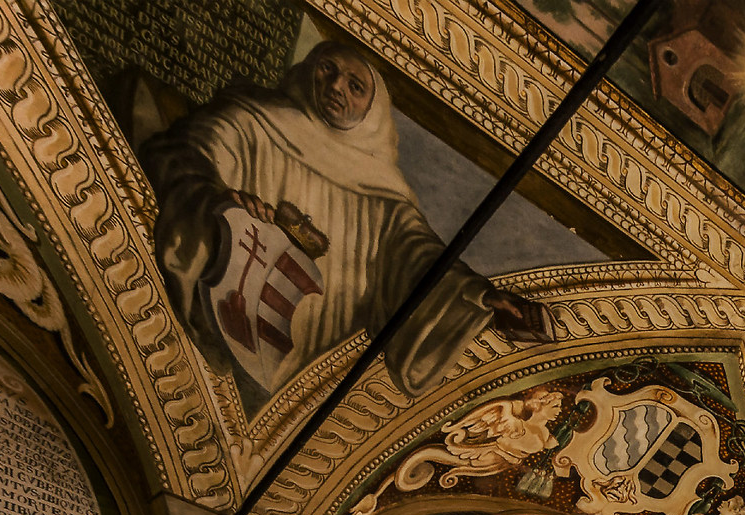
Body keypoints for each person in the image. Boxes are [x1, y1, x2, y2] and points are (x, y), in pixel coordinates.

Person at [144, 40, 550, 404]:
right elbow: (191, 154)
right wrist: (219, 198)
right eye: (328, 69)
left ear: (373, 111)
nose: (337, 85)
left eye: (355, 86)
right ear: (309, 69)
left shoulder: (384, 199)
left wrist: (479, 296)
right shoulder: (251, 120)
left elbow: (419, 259)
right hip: (229, 316)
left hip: (310, 368)